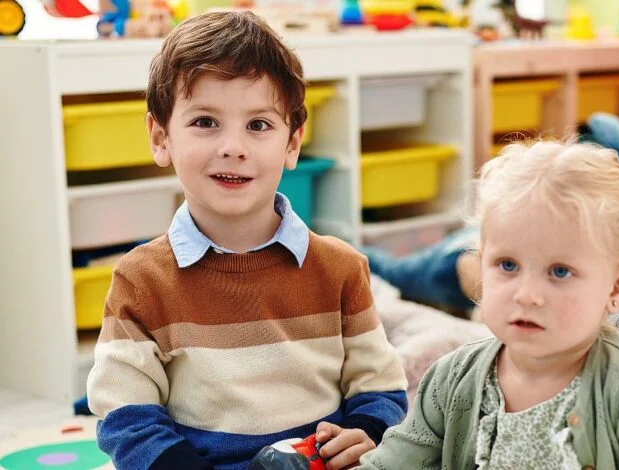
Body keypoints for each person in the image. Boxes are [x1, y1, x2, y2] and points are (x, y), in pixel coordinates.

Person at [86, 12, 407, 470]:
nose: (233, 147)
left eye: (258, 125)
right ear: (161, 138)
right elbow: (126, 415)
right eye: (205, 122)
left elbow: (379, 387)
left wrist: (367, 432)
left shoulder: (341, 268)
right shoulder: (141, 279)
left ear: (292, 144)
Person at [358, 138, 619, 469]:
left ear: (618, 286)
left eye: (559, 271)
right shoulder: (452, 378)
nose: (526, 295)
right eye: (508, 265)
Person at [363, 113, 619, 348]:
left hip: (600, 239)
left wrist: (599, 324)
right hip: (556, 207)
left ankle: (472, 271)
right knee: (397, 269)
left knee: (404, 272)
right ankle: (471, 266)